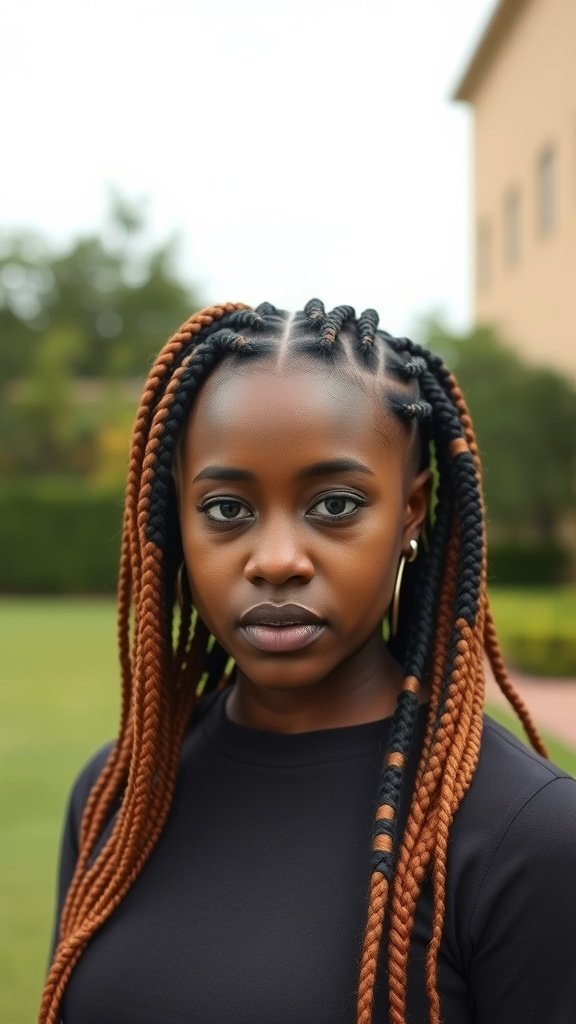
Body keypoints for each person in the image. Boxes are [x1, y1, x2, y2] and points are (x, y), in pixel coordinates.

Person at [40, 300, 576, 1024]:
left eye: (335, 503)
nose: (278, 560)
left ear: (411, 512)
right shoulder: (117, 795)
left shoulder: (525, 835)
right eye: (227, 509)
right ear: (175, 519)